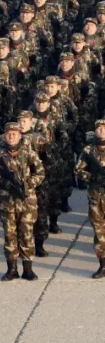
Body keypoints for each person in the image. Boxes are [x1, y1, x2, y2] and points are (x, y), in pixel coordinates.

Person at [0, 122, 46, 282]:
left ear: (20, 135)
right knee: (10, 235)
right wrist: (2, 182)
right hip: (7, 202)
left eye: (15, 133)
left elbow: (40, 173)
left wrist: (27, 185)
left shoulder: (29, 153)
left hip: (26, 201)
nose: (11, 136)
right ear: (5, 136)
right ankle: (11, 269)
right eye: (8, 134)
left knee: (27, 234)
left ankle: (28, 269)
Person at [75, 119, 105, 278]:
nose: (101, 131)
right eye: (98, 128)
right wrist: (93, 177)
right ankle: (103, 265)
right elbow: (78, 170)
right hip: (96, 198)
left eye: (104, 128)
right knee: (99, 232)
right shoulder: (88, 150)